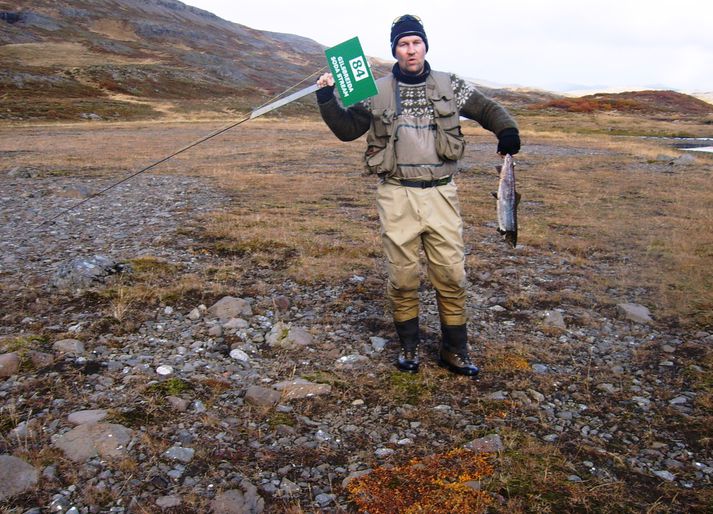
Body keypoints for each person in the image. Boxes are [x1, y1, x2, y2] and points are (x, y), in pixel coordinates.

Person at [315, 15, 520, 377]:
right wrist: (326, 99)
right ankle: (408, 346)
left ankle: (455, 350)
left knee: (452, 275)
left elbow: (487, 108)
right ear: (394, 49)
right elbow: (347, 130)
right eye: (403, 44)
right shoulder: (373, 90)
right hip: (396, 195)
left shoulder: (448, 84)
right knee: (403, 276)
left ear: (425, 45)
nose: (410, 50)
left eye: (416, 42)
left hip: (442, 194)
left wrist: (506, 131)